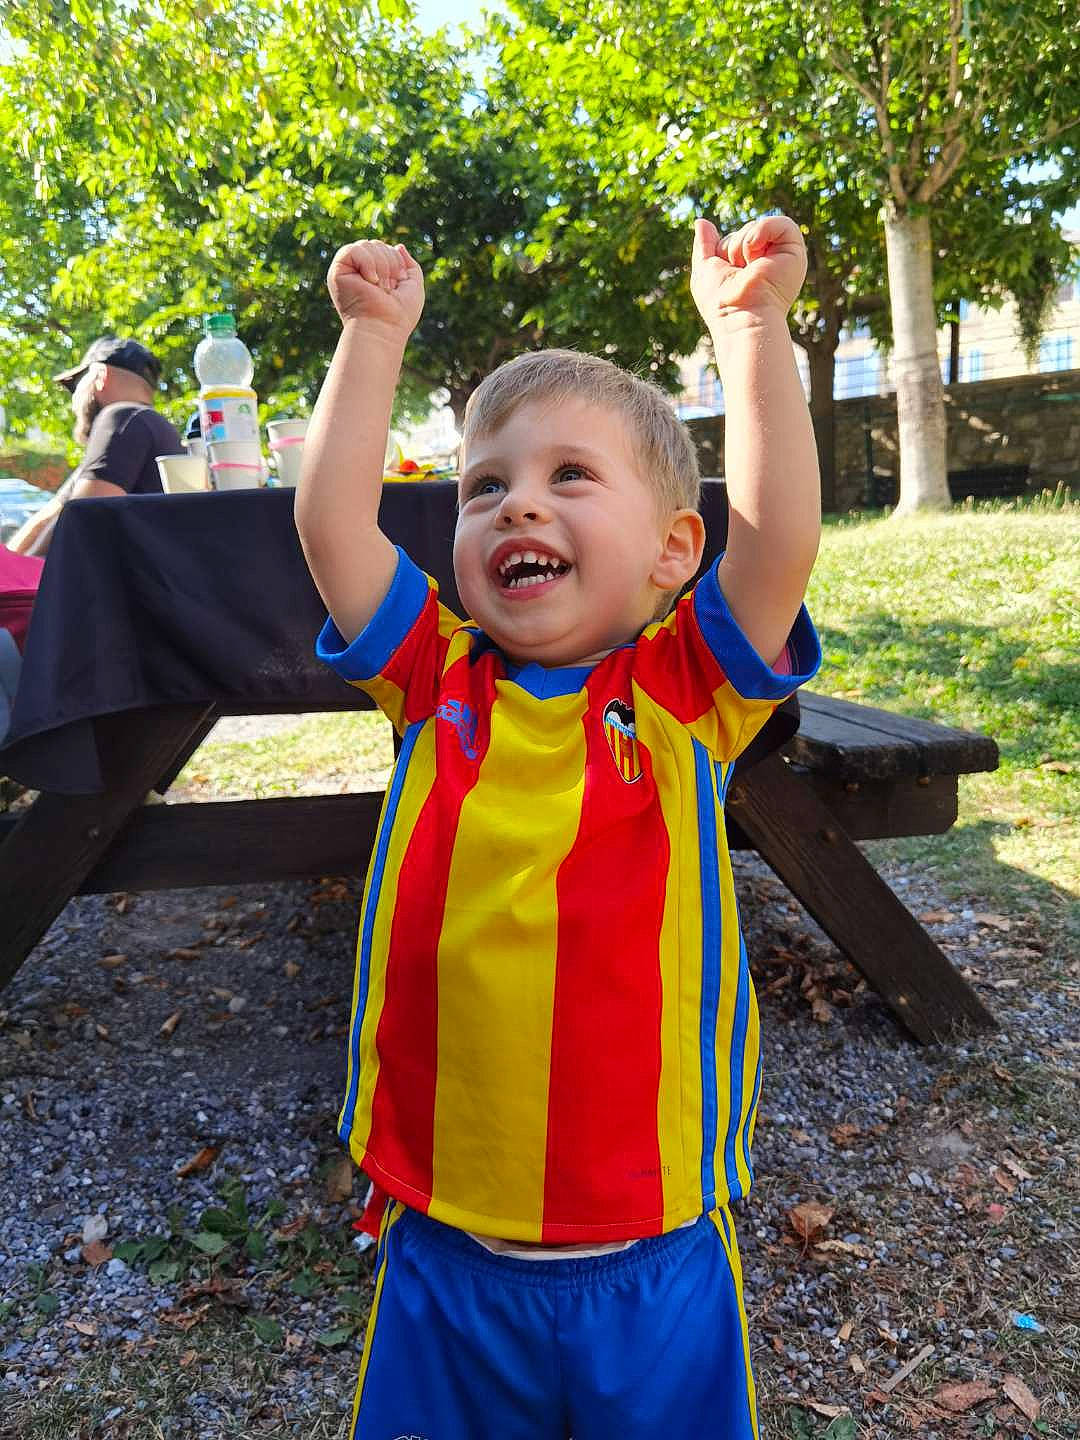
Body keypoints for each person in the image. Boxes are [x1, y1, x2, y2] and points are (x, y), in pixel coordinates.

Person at [297, 214, 822, 1439]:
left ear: (671, 553)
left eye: (567, 477)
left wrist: (749, 330)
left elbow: (782, 538)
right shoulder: (435, 684)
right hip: (445, 1246)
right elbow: (333, 530)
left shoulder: (687, 695)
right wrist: (373, 339)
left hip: (651, 1254)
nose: (515, 508)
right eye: (487, 488)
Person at [8, 337, 181, 557]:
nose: (74, 400)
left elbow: (79, 522)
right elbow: (52, 514)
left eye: (75, 386)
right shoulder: (145, 428)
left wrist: (18, 583)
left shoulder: (123, 417)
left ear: (100, 377)